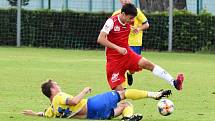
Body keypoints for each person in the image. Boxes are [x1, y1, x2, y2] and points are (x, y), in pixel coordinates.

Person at [97, 3, 184, 91]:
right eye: (131, 18)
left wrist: (136, 29)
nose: (133, 20)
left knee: (148, 64)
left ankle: (174, 83)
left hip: (127, 54)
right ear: (123, 14)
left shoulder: (128, 21)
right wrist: (117, 48)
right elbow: (100, 39)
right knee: (120, 94)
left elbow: (136, 26)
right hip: (114, 60)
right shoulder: (111, 21)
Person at [22, 79, 172, 121]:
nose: (59, 87)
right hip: (92, 104)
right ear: (53, 90)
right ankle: (155, 95)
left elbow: (46, 114)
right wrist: (84, 91)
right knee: (122, 93)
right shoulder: (59, 97)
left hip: (94, 116)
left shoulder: (52, 109)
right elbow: (74, 101)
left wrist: (34, 113)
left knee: (126, 105)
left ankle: (127, 118)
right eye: (57, 85)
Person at [112, 0, 150, 87]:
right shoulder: (116, 13)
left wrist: (138, 29)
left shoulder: (137, 12)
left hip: (135, 44)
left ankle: (130, 73)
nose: (125, 1)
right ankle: (123, 89)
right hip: (121, 44)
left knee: (133, 67)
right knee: (121, 67)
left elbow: (146, 24)